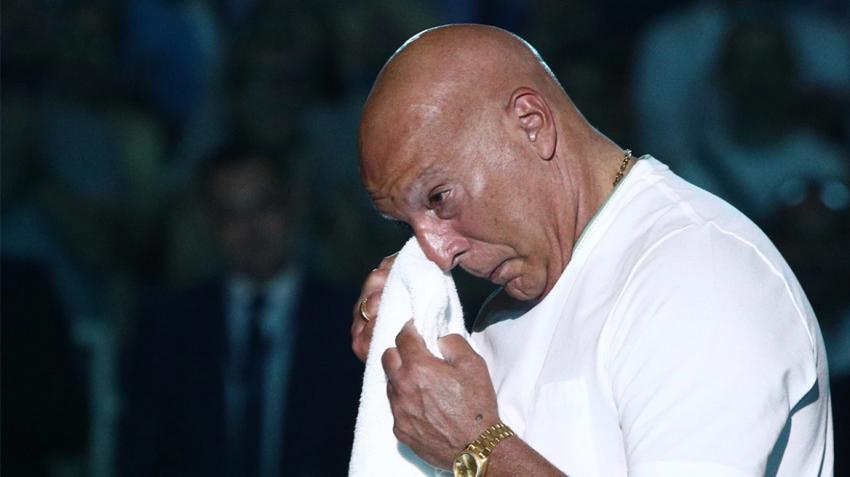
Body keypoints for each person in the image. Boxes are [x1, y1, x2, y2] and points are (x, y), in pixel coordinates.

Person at [350, 24, 832, 476]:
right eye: (407, 224)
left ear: (531, 124)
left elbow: (477, 448)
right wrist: (409, 354)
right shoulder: (505, 308)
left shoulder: (702, 273)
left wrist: (477, 449)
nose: (436, 254)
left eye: (439, 198)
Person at [118, 144, 362, 477]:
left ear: (292, 207)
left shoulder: (348, 319)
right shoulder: (168, 324)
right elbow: (142, 448)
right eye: (230, 214)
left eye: (264, 206)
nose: (251, 227)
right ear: (208, 222)